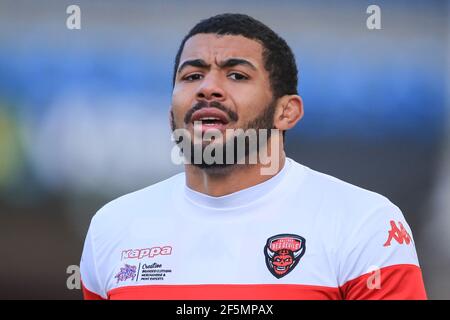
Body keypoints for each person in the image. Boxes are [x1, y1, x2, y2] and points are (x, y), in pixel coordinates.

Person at [80, 13, 427, 300]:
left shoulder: (363, 223)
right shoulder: (113, 226)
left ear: (286, 112)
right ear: (172, 112)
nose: (208, 88)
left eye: (236, 75)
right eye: (192, 75)